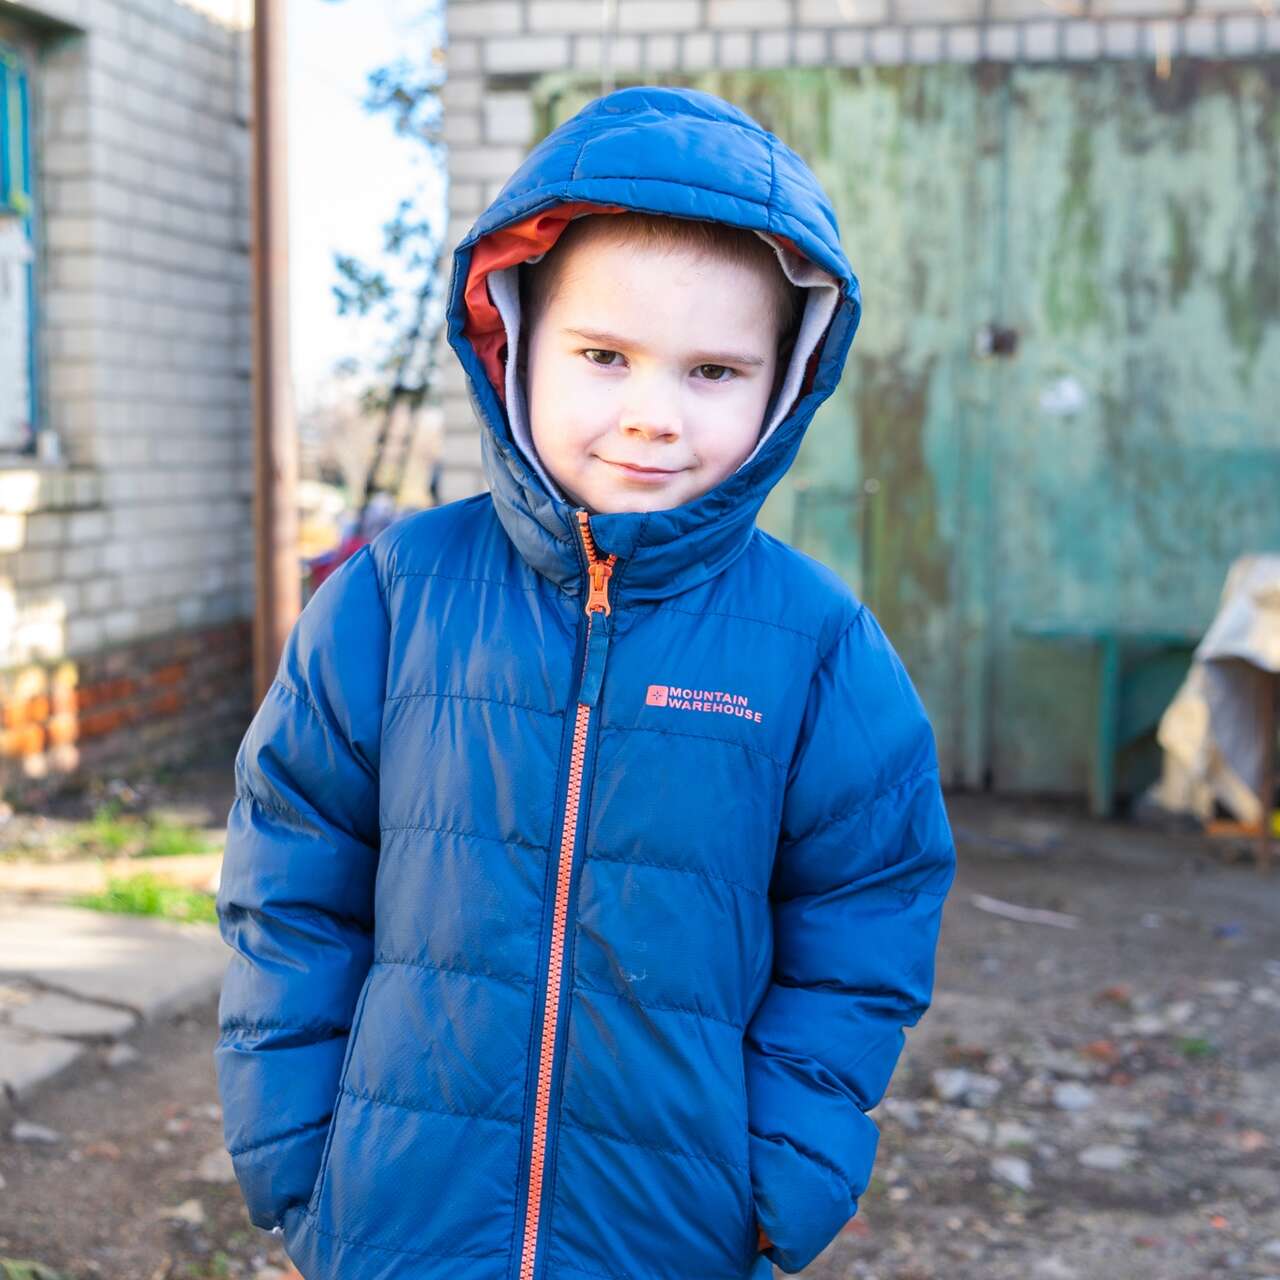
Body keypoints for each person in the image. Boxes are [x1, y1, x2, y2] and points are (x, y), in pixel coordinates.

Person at [214, 84, 957, 1280]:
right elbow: (289, 885)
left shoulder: (816, 646)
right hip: (394, 1218)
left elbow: (864, 922)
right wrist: (294, 1146)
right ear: (515, 343)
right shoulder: (393, 601)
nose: (651, 415)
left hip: (668, 1231)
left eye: (712, 370)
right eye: (604, 356)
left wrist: (781, 1172)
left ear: (785, 381)